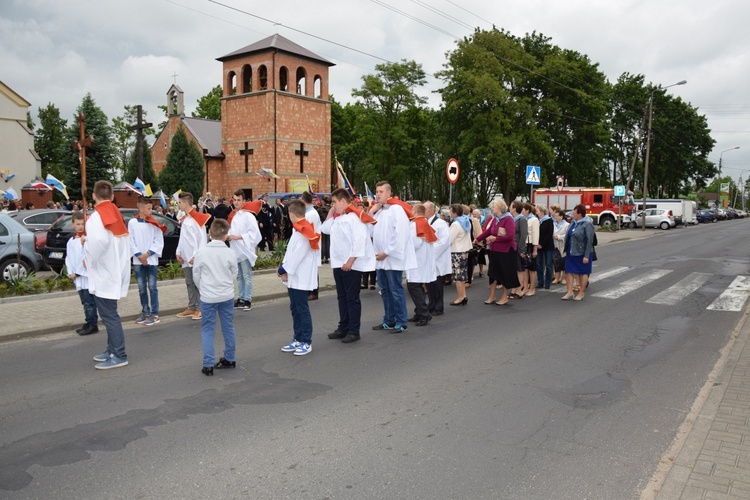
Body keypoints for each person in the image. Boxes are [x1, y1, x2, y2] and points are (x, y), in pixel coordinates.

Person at [320, 188, 376, 343]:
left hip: (351, 265)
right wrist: (332, 212)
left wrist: (350, 261)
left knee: (352, 298)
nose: (333, 205)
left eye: (335, 202)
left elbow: (360, 241)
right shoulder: (339, 218)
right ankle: (343, 327)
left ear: (343, 201)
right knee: (342, 297)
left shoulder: (355, 218)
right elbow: (324, 229)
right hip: (338, 264)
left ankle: (353, 330)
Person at [85, 180, 131, 370]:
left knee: (109, 315)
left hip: (104, 272)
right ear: (112, 197)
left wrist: (87, 255)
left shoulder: (96, 217)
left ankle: (119, 354)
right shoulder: (115, 213)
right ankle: (111, 349)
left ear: (94, 196)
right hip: (114, 270)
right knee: (109, 313)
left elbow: (99, 244)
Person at [368, 182, 417, 333]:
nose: (378, 194)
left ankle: (401, 321)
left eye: (381, 191)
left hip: (392, 258)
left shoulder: (397, 209)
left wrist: (387, 252)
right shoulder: (380, 211)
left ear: (389, 193)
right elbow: (370, 231)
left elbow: (400, 234)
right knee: (385, 290)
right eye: (376, 191)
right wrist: (371, 212)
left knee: (395, 290)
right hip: (380, 260)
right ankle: (389, 320)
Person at [193, 218, 238, 376]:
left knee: (207, 329)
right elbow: (234, 274)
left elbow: (196, 275)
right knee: (228, 327)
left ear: (209, 233)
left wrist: (204, 288)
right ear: (226, 235)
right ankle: (230, 358)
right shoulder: (230, 253)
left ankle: (208, 364)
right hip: (226, 295)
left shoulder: (201, 253)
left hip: (208, 297)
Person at [278, 200, 321, 356]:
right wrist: (284, 268)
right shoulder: (298, 229)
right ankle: (297, 338)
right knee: (295, 308)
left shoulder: (304, 230)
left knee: (302, 309)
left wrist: (284, 269)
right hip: (294, 276)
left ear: (291, 214)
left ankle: (306, 341)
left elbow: (298, 255)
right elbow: (290, 252)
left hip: (300, 276)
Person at [474, 198, 520, 306]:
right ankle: (492, 296)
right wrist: (478, 239)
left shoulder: (508, 219)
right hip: (495, 250)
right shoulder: (495, 219)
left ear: (499, 208)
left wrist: (495, 239)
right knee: (492, 274)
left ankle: (504, 297)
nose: (492, 208)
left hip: (506, 251)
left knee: (504, 274)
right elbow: (489, 231)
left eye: (493, 206)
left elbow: (510, 236)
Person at [128, 197, 166, 326]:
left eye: (151, 208)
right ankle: (145, 312)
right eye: (148, 208)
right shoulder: (132, 223)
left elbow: (158, 241)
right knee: (142, 288)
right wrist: (139, 255)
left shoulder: (154, 223)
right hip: (138, 260)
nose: (151, 211)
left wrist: (147, 255)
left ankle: (155, 314)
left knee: (152, 287)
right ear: (141, 208)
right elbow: (130, 240)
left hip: (151, 260)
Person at [175, 192, 210, 320]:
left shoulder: (198, 218)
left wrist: (197, 256)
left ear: (185, 203)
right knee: (189, 282)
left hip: (195, 258)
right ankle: (192, 306)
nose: (178, 204)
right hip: (185, 257)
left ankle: (202, 308)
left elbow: (202, 240)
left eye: (179, 202)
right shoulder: (185, 219)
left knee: (198, 283)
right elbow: (182, 239)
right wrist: (178, 252)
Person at [227, 190, 262, 311]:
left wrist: (238, 237)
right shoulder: (233, 215)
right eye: (234, 200)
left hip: (245, 249)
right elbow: (230, 230)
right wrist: (228, 235)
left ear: (244, 201)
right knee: (239, 275)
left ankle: (248, 299)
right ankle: (241, 298)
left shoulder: (249, 216)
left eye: (238, 200)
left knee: (246, 275)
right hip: (235, 250)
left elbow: (255, 234)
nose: (236, 203)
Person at [66, 211, 99, 336]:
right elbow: (69, 258)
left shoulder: (86, 239)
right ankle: (88, 321)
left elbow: (85, 258)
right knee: (84, 301)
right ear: (73, 224)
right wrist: (70, 272)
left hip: (85, 276)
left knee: (89, 301)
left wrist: (78, 273)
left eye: (82, 224)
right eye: (78, 224)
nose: (80, 226)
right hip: (76, 276)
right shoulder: (71, 240)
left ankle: (93, 324)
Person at [406, 204, 437, 326]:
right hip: (423, 259)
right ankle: (419, 312)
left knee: (413, 285)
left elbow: (415, 243)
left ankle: (424, 313)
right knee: (416, 285)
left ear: (414, 211)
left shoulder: (415, 224)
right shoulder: (424, 222)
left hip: (417, 260)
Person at [562, 204, 595, 301]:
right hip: (571, 251)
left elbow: (589, 241)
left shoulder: (587, 224)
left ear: (580, 214)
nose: (573, 214)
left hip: (581, 252)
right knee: (568, 271)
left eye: (575, 213)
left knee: (582, 272)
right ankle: (569, 292)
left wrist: (586, 255)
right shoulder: (573, 222)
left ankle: (581, 293)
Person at [424, 201, 450, 317]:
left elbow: (444, 242)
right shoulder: (424, 222)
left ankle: (439, 307)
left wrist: (431, 253)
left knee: (437, 284)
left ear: (431, 210)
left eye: (424, 209)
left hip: (437, 259)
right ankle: (431, 305)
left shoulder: (441, 223)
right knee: (429, 285)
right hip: (427, 259)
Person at [449, 204, 472, 306]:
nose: (450, 213)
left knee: (458, 276)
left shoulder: (456, 224)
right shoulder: (466, 220)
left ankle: (460, 297)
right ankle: (464, 295)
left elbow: (449, 239)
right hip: (465, 250)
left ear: (455, 212)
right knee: (463, 274)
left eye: (451, 212)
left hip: (457, 251)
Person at [301, 191, 322, 300]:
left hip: (312, 244)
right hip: (310, 244)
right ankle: (310, 290)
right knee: (309, 268)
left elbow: (309, 230)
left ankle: (314, 292)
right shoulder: (308, 213)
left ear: (304, 200)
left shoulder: (311, 214)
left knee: (312, 268)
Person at [509, 201, 528, 299]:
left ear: (515, 208)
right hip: (512, 247)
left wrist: (521, 250)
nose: (509, 207)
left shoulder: (522, 219)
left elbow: (523, 235)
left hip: (518, 247)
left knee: (519, 269)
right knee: (514, 269)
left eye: (511, 206)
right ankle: (514, 289)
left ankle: (519, 290)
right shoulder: (512, 218)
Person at [535, 204, 555, 290]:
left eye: (537, 211)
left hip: (547, 246)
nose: (536, 213)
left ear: (542, 211)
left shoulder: (549, 221)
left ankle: (547, 282)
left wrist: (541, 244)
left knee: (548, 264)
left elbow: (549, 234)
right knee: (539, 264)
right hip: (539, 246)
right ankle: (540, 282)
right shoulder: (538, 221)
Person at [522, 203, 539, 296]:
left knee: (532, 268)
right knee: (525, 267)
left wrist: (535, 249)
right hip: (524, 244)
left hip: (531, 244)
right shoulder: (524, 219)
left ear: (527, 210)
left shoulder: (534, 220)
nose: (521, 211)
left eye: (523, 209)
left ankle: (532, 288)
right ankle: (525, 287)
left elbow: (536, 235)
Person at [552, 209, 570, 284]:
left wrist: (559, 236)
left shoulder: (566, 225)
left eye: (557, 216)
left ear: (561, 216)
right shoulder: (553, 224)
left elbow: (567, 235)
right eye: (555, 216)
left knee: (564, 262)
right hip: (555, 245)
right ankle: (557, 278)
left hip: (562, 245)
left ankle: (564, 278)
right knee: (556, 261)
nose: (555, 217)